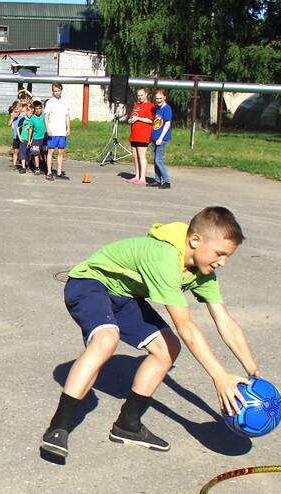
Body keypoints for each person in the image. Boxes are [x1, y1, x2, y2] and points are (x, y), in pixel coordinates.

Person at [40, 207, 261, 459]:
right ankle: (58, 427)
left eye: (227, 256)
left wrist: (252, 370)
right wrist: (219, 376)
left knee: (168, 348)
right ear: (196, 240)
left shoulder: (202, 272)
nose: (222, 262)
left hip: (124, 294)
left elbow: (226, 322)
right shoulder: (164, 258)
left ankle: (128, 425)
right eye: (220, 253)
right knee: (106, 339)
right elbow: (186, 326)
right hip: (90, 284)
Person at [43, 83, 71, 180]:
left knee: (61, 151)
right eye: (55, 91)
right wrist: (48, 128)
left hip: (61, 131)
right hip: (53, 131)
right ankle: (49, 172)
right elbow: (46, 116)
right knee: (51, 150)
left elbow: (67, 115)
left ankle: (59, 172)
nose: (57, 93)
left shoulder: (65, 102)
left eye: (58, 91)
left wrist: (68, 128)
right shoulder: (50, 102)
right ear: (53, 92)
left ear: (61, 90)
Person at [127, 86, 155, 185]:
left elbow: (151, 120)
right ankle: (137, 175)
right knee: (135, 156)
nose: (140, 97)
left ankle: (143, 178)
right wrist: (131, 119)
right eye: (138, 95)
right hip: (134, 134)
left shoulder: (150, 106)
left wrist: (138, 119)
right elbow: (132, 116)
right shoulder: (136, 106)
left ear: (146, 94)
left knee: (141, 155)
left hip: (143, 134)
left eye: (142, 95)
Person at [150, 89, 173, 189]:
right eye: (157, 98)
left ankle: (167, 181)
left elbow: (167, 124)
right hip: (154, 137)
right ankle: (157, 180)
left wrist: (160, 138)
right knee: (155, 160)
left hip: (161, 138)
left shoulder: (167, 109)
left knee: (158, 160)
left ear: (164, 97)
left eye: (160, 98)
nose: (158, 100)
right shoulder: (157, 109)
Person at [26, 100, 46, 174]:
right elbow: (30, 129)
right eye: (36, 109)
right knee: (36, 153)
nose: (38, 110)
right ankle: (37, 167)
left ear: (42, 108)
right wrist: (29, 139)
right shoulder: (33, 118)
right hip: (36, 138)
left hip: (45, 137)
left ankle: (45, 165)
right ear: (34, 109)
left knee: (45, 152)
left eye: (39, 108)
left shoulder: (44, 116)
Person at [8, 102, 27, 172]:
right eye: (15, 109)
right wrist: (13, 117)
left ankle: (25, 165)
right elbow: (9, 124)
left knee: (24, 151)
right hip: (16, 136)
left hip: (23, 136)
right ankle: (14, 164)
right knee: (16, 151)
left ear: (21, 108)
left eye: (18, 109)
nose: (16, 111)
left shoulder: (24, 116)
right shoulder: (14, 116)